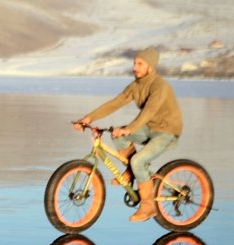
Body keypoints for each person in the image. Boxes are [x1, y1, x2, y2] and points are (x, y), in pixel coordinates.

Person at [73, 48, 182, 222]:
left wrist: (130, 129)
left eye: (140, 64)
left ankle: (148, 206)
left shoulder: (159, 86)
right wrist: (88, 118)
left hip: (167, 132)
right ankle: (132, 172)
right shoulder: (136, 86)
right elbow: (115, 103)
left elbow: (149, 111)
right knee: (118, 136)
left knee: (138, 160)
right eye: (134, 63)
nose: (135, 67)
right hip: (150, 128)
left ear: (151, 67)